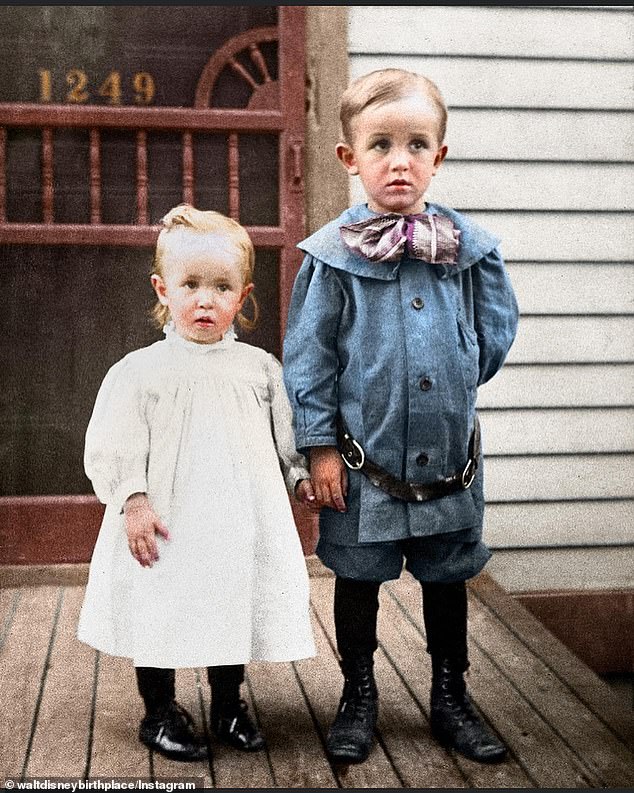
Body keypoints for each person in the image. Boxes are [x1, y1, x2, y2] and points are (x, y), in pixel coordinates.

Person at [283, 68, 519, 766]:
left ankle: (451, 694)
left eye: (417, 144)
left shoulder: (469, 252)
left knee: (448, 579)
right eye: (380, 144)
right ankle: (358, 693)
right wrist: (320, 447)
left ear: (438, 156)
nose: (399, 160)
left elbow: (495, 331)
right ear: (348, 157)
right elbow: (309, 360)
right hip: (364, 465)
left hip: (449, 459)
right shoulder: (331, 260)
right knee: (359, 575)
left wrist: (444, 379)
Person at [78, 205, 316, 762]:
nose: (204, 300)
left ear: (243, 295)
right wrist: (132, 499)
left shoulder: (259, 370)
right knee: (159, 605)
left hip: (235, 517)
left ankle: (228, 705)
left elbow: (287, 436)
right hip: (165, 520)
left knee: (227, 600)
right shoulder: (140, 372)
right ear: (163, 289)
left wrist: (299, 473)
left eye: (221, 287)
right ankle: (159, 710)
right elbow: (116, 442)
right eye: (189, 285)